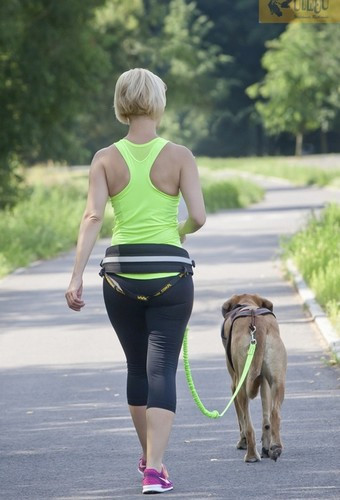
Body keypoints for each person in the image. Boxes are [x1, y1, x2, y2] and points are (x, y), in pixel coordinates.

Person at [65, 68, 206, 494]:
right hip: (169, 275)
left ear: (121, 103)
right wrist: (176, 236)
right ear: (158, 103)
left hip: (120, 275)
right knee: (161, 366)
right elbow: (198, 216)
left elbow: (92, 217)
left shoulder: (105, 158)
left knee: (136, 367)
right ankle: (154, 468)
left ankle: (149, 456)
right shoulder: (180, 155)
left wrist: (76, 276)